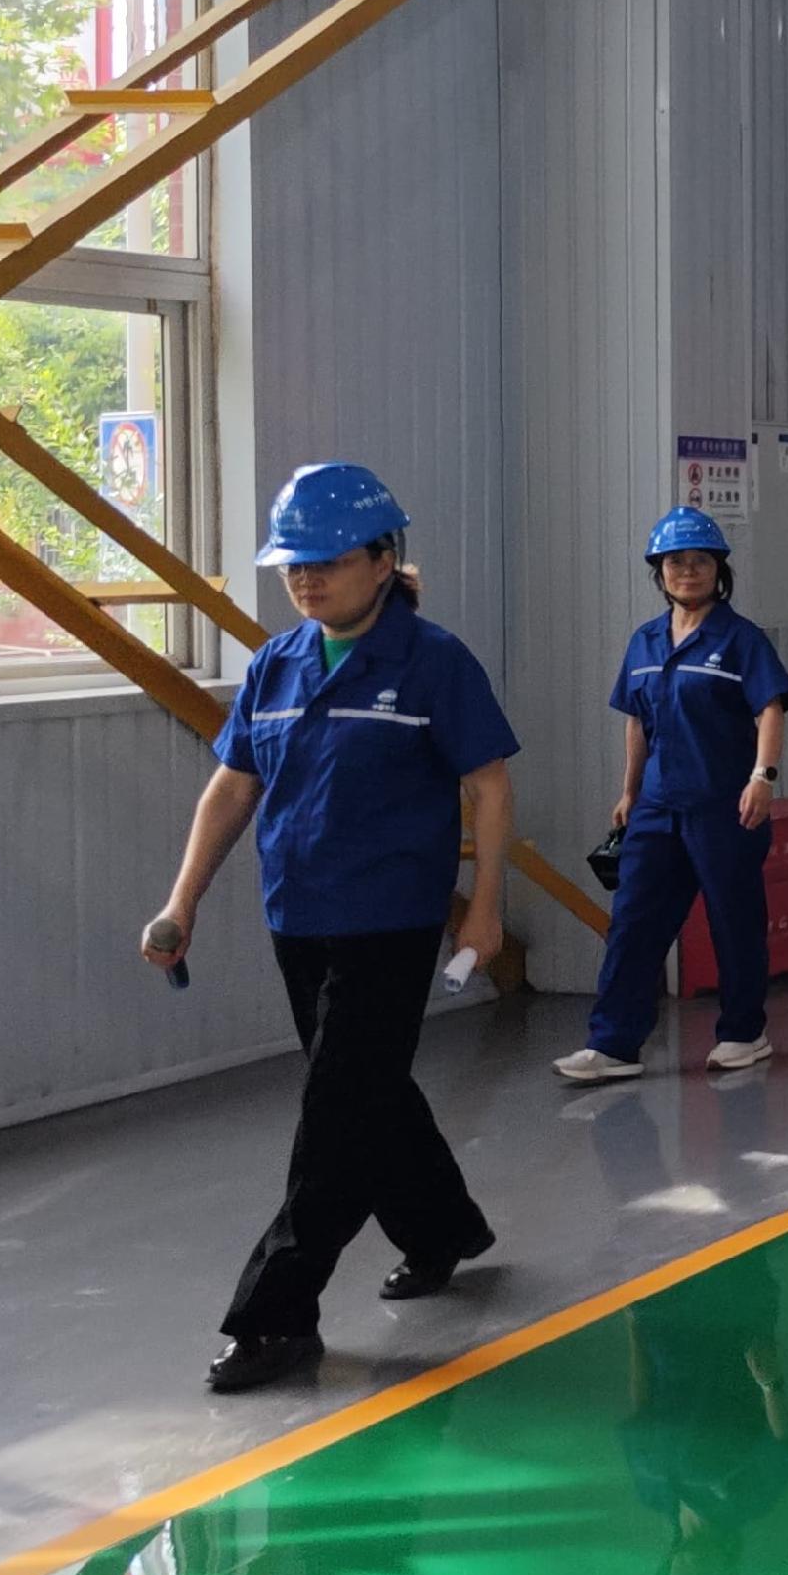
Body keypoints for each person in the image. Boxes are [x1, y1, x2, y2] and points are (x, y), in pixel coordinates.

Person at [140, 463, 519, 1394]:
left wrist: (486, 905)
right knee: (368, 1092)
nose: (306, 581)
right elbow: (235, 785)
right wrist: (181, 899)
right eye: (291, 566)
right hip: (298, 918)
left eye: (327, 562)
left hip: (387, 923)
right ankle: (442, 1229)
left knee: (335, 1114)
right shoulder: (277, 662)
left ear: (384, 560)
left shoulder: (434, 662)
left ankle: (276, 1317)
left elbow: (489, 785)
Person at [556, 507, 788, 1083]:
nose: (687, 570)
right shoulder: (644, 641)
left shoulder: (741, 640)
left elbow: (769, 707)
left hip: (724, 805)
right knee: (635, 922)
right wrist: (629, 791)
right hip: (658, 807)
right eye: (674, 562)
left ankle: (744, 1033)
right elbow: (637, 722)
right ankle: (613, 1043)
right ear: (658, 572)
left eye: (699, 561)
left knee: (733, 920)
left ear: (719, 570)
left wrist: (762, 777)